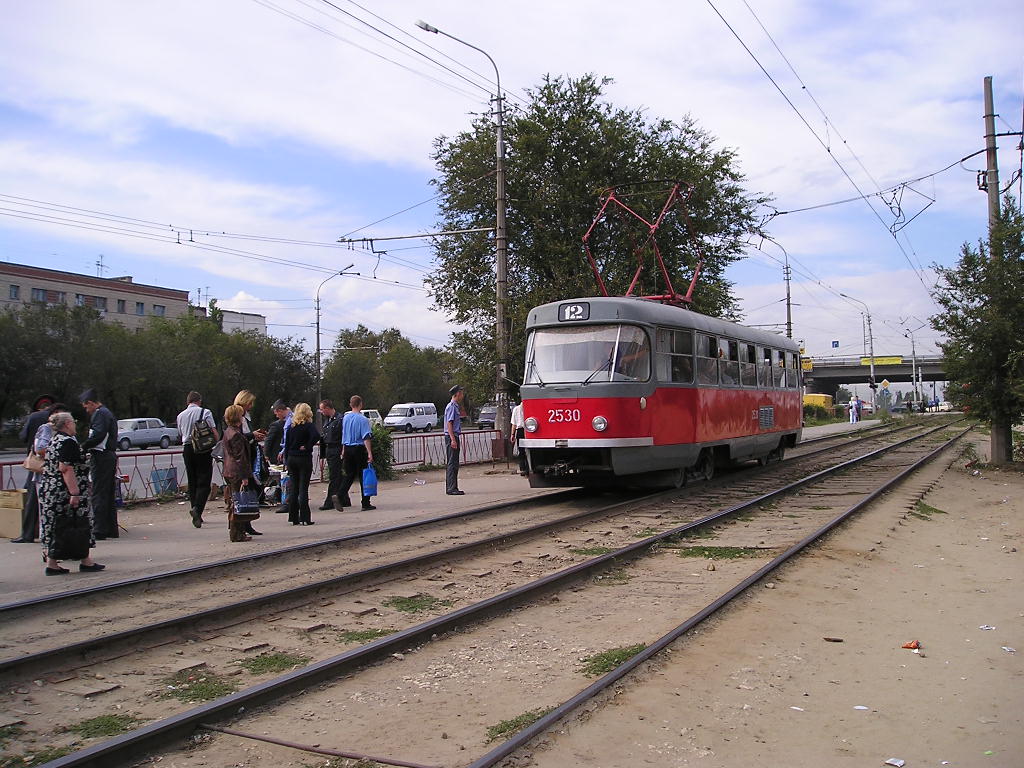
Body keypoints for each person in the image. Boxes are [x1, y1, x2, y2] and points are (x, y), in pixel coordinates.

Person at [39, 411, 105, 575]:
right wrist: (74, 493)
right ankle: (84, 560)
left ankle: (54, 563)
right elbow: (66, 468)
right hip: (66, 491)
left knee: (59, 525)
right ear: (67, 424)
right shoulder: (68, 442)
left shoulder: (55, 440)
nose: (75, 425)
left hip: (51, 489)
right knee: (78, 523)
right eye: (73, 422)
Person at [12, 394, 54, 543]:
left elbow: (23, 437)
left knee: (32, 498)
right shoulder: (60, 418)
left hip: (37, 464)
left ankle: (28, 533)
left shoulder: (34, 417)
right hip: (56, 463)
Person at [79, 388, 119, 540]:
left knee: (99, 493)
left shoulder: (100, 414)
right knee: (107, 493)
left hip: (101, 456)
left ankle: (100, 529)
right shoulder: (106, 412)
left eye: (86, 407)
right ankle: (110, 528)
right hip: (108, 456)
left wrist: (84, 446)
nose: (87, 410)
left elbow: (98, 434)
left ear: (90, 403)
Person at [176, 391, 220, 529]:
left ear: (188, 402)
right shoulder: (205, 412)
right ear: (199, 401)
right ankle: (197, 509)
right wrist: (216, 443)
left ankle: (196, 513)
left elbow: (180, 434)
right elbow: (213, 431)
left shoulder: (180, 416)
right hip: (202, 449)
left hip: (187, 448)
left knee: (192, 480)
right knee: (204, 481)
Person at [232, 390, 266, 535]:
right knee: (243, 491)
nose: (251, 406)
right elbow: (237, 437)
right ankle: (241, 525)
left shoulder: (246, 417)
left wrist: (254, 436)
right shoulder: (236, 416)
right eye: (249, 403)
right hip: (242, 459)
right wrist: (252, 435)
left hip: (249, 455)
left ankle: (247, 523)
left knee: (250, 489)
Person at [222, 404, 256, 542]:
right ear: (238, 417)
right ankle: (237, 534)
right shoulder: (236, 435)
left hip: (229, 470)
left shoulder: (228, 431)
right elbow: (240, 457)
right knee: (238, 503)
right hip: (236, 472)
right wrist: (245, 477)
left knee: (234, 501)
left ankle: (236, 531)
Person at [284, 402, 320, 525]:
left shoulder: (291, 427)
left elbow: (287, 445)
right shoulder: (309, 426)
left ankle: (292, 517)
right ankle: (305, 517)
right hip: (303, 458)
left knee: (294, 488)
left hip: (292, 458)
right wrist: (308, 445)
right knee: (303, 488)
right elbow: (316, 436)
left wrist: (286, 460)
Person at [338, 395, 375, 511]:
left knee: (349, 474)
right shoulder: (363, 419)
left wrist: (343, 449)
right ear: (361, 404)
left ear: (350, 404)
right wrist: (369, 452)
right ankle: (365, 503)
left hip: (348, 448)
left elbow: (344, 435)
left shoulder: (346, 418)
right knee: (363, 475)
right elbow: (366, 437)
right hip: (358, 449)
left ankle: (339, 495)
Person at [263, 400, 291, 514]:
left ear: (280, 411)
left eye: (276, 412)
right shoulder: (292, 420)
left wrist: (266, 454)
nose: (276, 415)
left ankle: (283, 499)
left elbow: (269, 441)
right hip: (286, 454)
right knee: (285, 477)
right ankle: (283, 497)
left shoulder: (276, 425)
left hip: (278, 455)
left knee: (281, 478)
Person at [318, 399, 344, 511]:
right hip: (329, 449)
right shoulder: (327, 420)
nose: (322, 412)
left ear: (328, 408)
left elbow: (343, 435)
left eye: (323, 409)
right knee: (337, 475)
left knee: (334, 476)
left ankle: (330, 501)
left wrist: (343, 450)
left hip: (336, 448)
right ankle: (344, 499)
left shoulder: (339, 419)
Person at [444, 385, 465, 495]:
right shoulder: (452, 406)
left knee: (454, 463)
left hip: (453, 436)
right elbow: (449, 424)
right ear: (457, 394)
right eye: (461, 392)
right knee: (452, 463)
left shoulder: (455, 406)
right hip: (451, 436)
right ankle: (451, 488)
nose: (462, 395)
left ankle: (453, 487)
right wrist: (453, 439)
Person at [510, 400, 528, 475]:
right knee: (529, 450)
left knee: (521, 450)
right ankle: (528, 467)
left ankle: (522, 468)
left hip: (520, 431)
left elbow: (514, 424)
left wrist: (512, 434)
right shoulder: (528, 407)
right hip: (530, 429)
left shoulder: (516, 409)